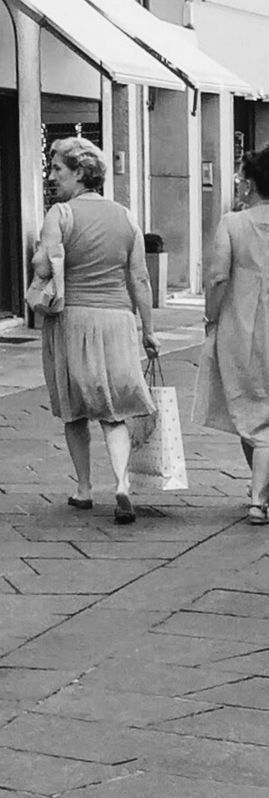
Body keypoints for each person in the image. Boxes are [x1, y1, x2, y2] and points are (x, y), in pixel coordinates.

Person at [34, 138, 158, 524]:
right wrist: (148, 330)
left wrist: (41, 253)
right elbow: (139, 277)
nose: (52, 176)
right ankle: (122, 483)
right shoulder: (126, 216)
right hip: (118, 320)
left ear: (80, 172)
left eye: (58, 169)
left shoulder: (60, 213)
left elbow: (43, 268)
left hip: (73, 319)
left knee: (74, 409)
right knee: (114, 408)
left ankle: (84, 488)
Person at [195, 142, 269, 524]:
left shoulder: (231, 223)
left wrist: (211, 316)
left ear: (248, 182)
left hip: (237, 320)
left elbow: (217, 275)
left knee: (245, 399)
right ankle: (260, 494)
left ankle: (259, 495)